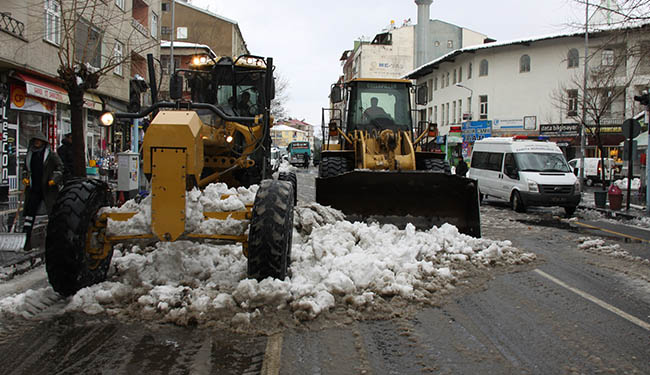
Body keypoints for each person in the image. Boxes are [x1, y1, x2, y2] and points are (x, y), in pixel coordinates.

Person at [22, 133, 64, 251]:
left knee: (52, 211)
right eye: (35, 141)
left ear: (43, 143)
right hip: (34, 188)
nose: (37, 143)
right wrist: (25, 177)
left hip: (48, 188)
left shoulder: (50, 155)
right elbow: (25, 168)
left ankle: (55, 235)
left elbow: (60, 168)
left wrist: (54, 180)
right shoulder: (30, 155)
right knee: (30, 211)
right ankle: (26, 236)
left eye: (39, 141)